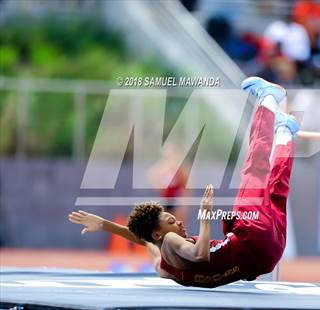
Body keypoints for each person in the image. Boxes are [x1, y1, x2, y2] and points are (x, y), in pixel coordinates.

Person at [69, 77, 300, 288]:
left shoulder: (163, 266)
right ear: (161, 233)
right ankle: (268, 98)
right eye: (171, 221)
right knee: (254, 170)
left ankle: (285, 132)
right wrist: (205, 216)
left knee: (277, 192)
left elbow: (144, 239)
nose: (178, 223)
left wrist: (105, 224)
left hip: (267, 256)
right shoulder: (171, 240)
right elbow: (199, 255)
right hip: (254, 239)